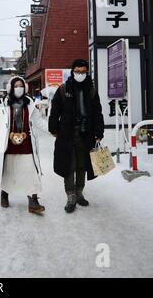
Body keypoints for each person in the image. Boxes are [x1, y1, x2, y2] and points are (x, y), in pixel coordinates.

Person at [0, 76, 48, 215]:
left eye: (21, 85)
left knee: (31, 173)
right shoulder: (2, 106)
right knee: (8, 172)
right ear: (11, 88)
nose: (18, 88)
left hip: (26, 145)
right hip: (8, 147)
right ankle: (4, 194)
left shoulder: (30, 104)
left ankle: (33, 202)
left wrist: (54, 130)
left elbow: (39, 122)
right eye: (16, 86)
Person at [48, 59, 105, 213]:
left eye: (83, 71)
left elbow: (97, 113)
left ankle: (79, 192)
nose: (80, 74)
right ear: (72, 72)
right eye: (77, 71)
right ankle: (71, 194)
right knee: (69, 164)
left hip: (86, 133)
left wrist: (99, 132)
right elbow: (55, 111)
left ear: (87, 72)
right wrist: (53, 128)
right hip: (67, 133)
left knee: (83, 164)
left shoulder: (91, 90)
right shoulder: (63, 89)